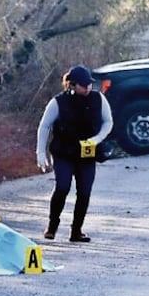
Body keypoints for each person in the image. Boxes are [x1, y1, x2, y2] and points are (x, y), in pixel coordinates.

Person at [36, 64, 114, 242]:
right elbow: (44, 126)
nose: (87, 88)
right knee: (62, 187)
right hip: (64, 152)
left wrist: (97, 139)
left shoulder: (98, 99)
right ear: (71, 85)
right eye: (83, 85)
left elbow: (108, 122)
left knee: (84, 191)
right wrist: (41, 152)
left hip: (87, 153)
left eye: (89, 84)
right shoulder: (58, 102)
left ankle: (76, 230)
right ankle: (52, 225)